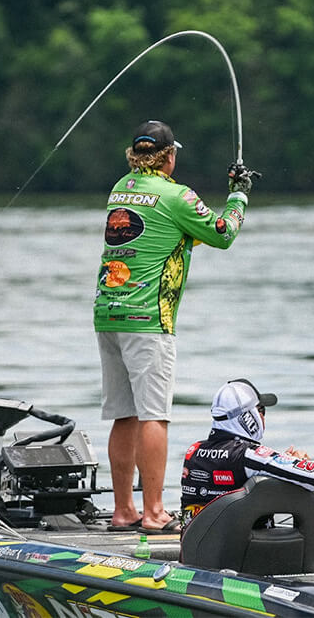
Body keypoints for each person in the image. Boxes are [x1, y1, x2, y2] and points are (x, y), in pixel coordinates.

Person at [95, 120, 257, 533]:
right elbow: (223, 234)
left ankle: (123, 511)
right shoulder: (177, 195)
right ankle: (153, 513)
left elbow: (168, 234)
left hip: (108, 314)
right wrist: (239, 194)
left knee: (123, 415)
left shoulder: (121, 189)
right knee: (154, 416)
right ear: (169, 157)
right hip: (148, 319)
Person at [180, 378, 314, 569]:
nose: (263, 417)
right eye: (261, 411)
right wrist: (300, 461)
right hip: (243, 560)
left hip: (195, 553)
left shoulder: (193, 452)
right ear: (249, 416)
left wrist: (280, 463)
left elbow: (228, 470)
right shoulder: (249, 455)